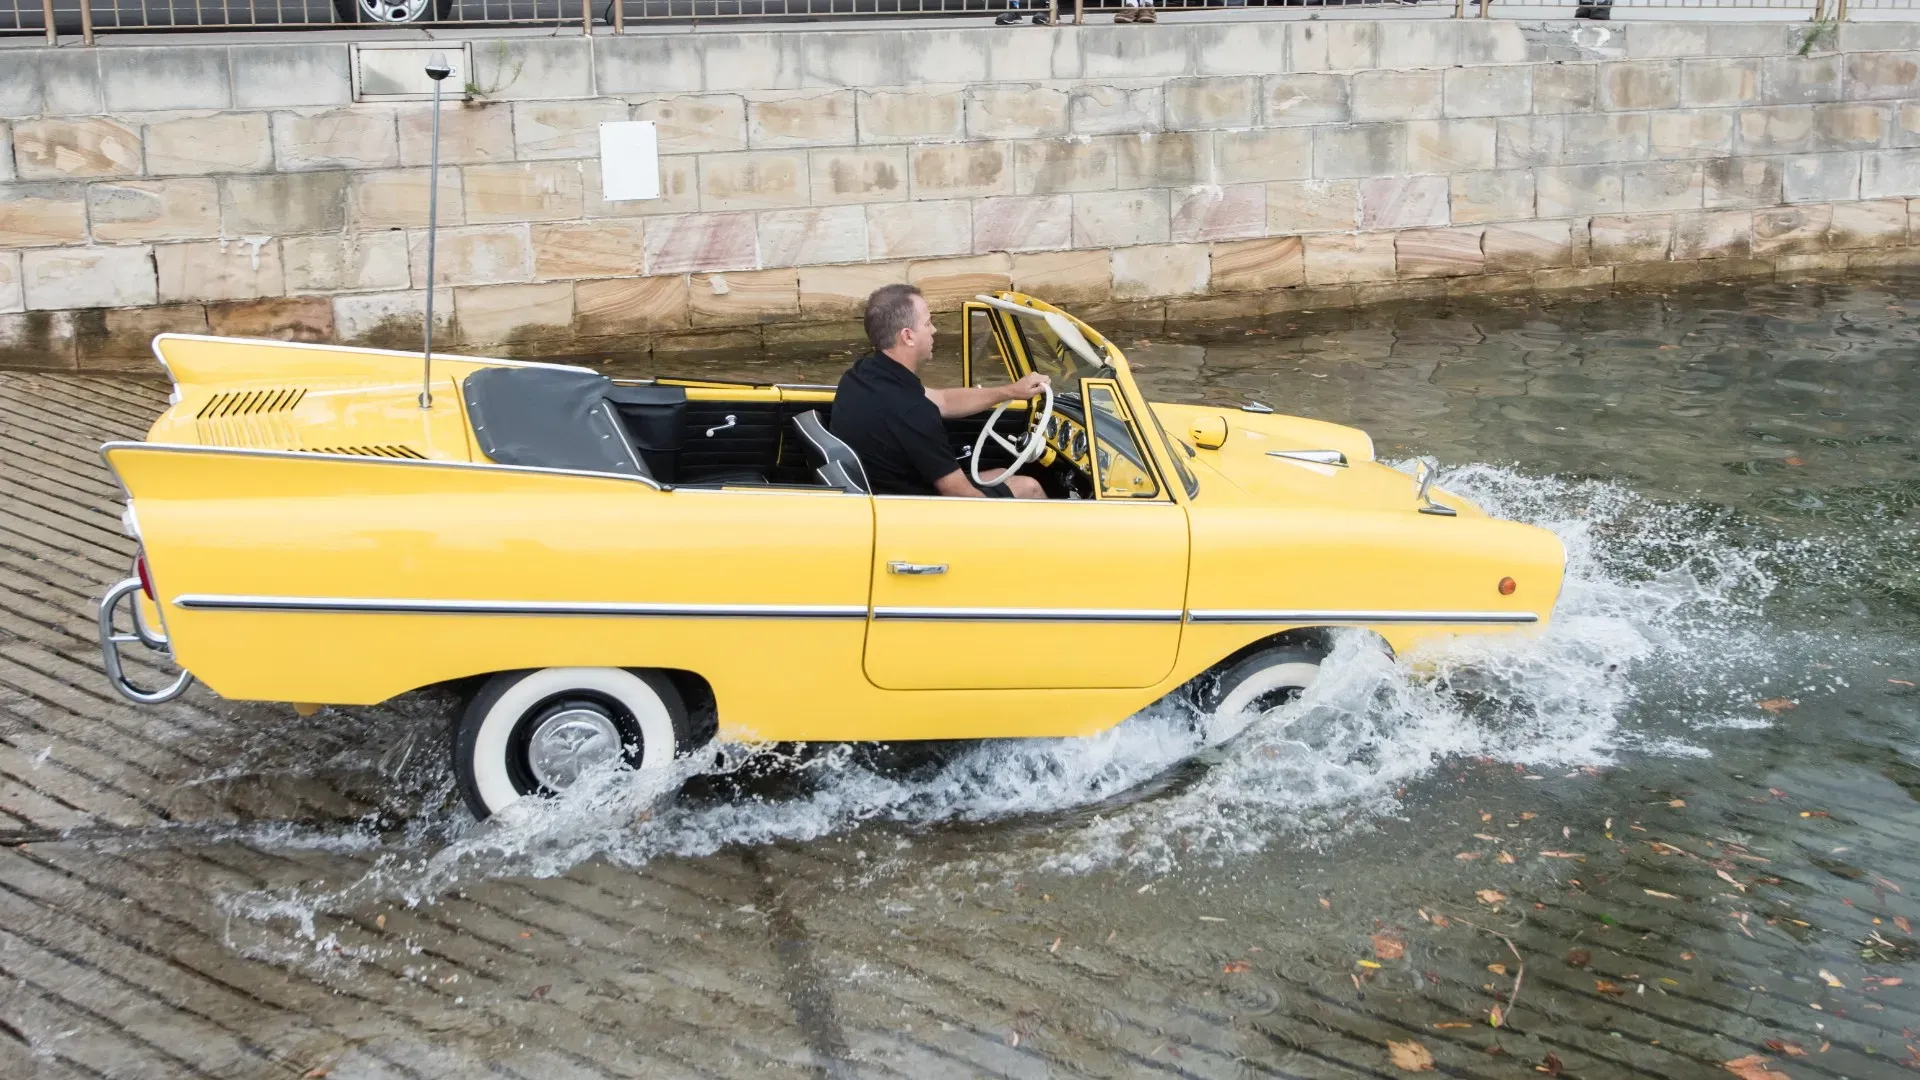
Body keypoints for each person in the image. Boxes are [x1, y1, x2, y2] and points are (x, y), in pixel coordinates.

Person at [831, 285, 1050, 500]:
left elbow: (943, 401)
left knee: (1002, 472)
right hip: (914, 513)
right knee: (1029, 487)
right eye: (927, 323)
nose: (934, 330)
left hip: (892, 491)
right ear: (908, 336)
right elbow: (960, 494)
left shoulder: (862, 373)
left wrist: (1009, 391)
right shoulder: (912, 413)